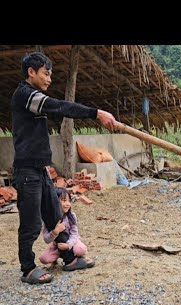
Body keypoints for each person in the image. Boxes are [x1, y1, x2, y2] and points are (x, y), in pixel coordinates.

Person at [11, 52, 117, 284]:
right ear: (31, 72)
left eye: (50, 75)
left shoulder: (33, 97)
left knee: (55, 215)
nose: (49, 79)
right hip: (26, 171)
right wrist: (96, 113)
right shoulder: (25, 95)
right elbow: (58, 107)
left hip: (41, 169)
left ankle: (69, 258)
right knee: (29, 223)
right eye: (45, 74)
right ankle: (28, 269)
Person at [39, 188, 95, 271]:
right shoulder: (48, 220)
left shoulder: (71, 216)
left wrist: (68, 245)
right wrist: (55, 232)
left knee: (81, 249)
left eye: (69, 201)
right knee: (44, 259)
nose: (67, 204)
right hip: (58, 246)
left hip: (73, 242)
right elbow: (46, 240)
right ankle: (56, 259)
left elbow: (75, 234)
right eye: (64, 200)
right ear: (54, 202)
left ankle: (81, 257)